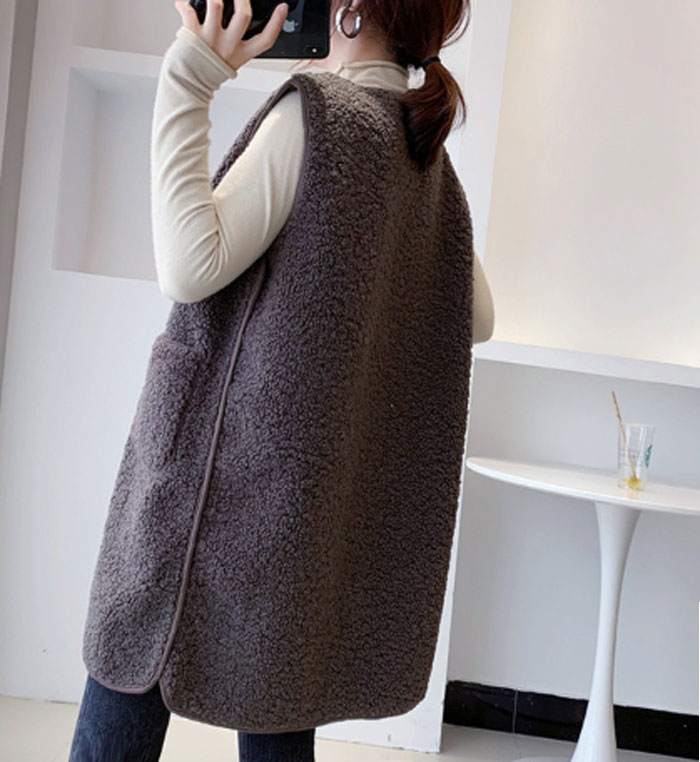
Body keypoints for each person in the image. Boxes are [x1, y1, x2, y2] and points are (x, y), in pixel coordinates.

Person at [69, 0, 494, 759]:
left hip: (215, 479)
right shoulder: (426, 158)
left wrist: (189, 77)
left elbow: (189, 267)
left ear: (351, 9)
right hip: (303, 511)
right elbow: (479, 316)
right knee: (276, 697)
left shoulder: (319, 117)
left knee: (131, 663)